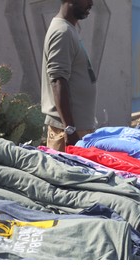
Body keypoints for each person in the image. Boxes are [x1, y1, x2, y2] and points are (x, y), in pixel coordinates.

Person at [41, 0, 97, 152]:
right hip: (68, 133)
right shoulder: (62, 32)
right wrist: (70, 129)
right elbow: (58, 81)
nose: (91, 3)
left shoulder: (69, 29)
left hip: (77, 130)